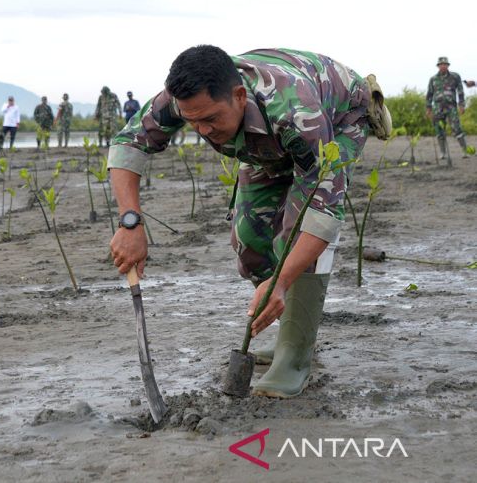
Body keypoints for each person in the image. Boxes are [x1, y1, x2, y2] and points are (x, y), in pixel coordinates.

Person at [108, 45, 373, 399]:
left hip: (338, 117)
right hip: (264, 138)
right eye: (193, 121)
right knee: (250, 241)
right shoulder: (183, 98)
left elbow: (322, 213)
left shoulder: (296, 112)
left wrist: (281, 281)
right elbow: (130, 142)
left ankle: (295, 356)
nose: (202, 129)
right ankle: (287, 330)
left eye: (211, 118)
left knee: (294, 238)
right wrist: (130, 223)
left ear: (238, 96)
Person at [426, 57, 470, 159]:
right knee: (439, 130)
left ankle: (465, 151)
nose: (443, 66)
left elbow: (460, 91)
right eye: (441, 64)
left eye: (445, 64)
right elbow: (429, 94)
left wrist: (462, 105)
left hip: (451, 107)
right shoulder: (433, 79)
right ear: (438, 66)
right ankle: (442, 153)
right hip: (438, 108)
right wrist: (428, 108)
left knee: (457, 129)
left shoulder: (455, 77)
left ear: (448, 65)